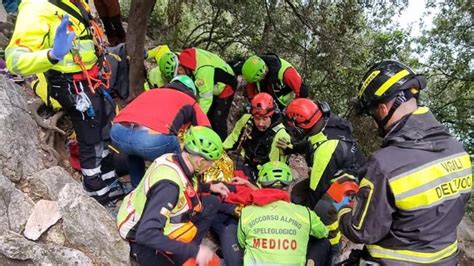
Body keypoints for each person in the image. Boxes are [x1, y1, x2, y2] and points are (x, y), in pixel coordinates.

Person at [336, 60, 472, 265]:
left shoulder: (384, 165)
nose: (374, 123)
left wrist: (342, 204)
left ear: (382, 108)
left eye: (372, 114)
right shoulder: (457, 150)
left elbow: (361, 231)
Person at [5, 0, 124, 203]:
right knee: (90, 131)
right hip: (71, 83)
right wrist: (52, 55)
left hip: (91, 78)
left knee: (104, 125)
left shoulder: (76, 2)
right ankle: (94, 187)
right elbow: (15, 60)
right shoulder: (37, 6)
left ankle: (106, 175)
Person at [117, 126, 231, 266]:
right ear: (200, 161)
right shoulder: (169, 188)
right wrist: (194, 251)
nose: (210, 166)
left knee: (212, 202)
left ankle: (189, 251)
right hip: (141, 237)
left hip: (155, 215)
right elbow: (146, 234)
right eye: (210, 163)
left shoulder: (173, 158)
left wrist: (209, 187)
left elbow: (185, 182)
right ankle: (188, 254)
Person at [279, 98, 365, 265]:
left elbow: (316, 190)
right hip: (341, 172)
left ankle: (331, 245)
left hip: (349, 185)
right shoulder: (324, 124)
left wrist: (308, 220)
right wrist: (292, 148)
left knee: (322, 211)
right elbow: (310, 143)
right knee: (297, 194)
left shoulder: (326, 150)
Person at [111, 75, 210, 187]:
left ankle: (136, 187)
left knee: (133, 153)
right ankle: (184, 187)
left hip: (118, 132)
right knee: (176, 148)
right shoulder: (190, 101)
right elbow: (206, 130)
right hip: (148, 140)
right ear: (191, 92)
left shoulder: (151, 92)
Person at [237, 161, 329, 266]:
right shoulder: (305, 214)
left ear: (260, 185)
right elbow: (323, 232)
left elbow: (241, 242)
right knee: (323, 241)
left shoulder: (247, 213)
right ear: (289, 187)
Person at [159, 48, 237, 140]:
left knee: (217, 119)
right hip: (210, 84)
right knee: (208, 116)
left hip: (226, 86)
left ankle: (222, 144)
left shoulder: (202, 70)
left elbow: (206, 100)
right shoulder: (184, 58)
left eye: (178, 74)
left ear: (180, 68)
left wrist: (193, 120)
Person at [223, 92, 291, 182]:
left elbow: (277, 168)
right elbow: (233, 139)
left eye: (265, 118)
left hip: (267, 174)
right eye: (257, 118)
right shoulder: (247, 120)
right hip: (247, 164)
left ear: (271, 115)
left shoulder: (281, 135)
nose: (260, 123)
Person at [241, 53, 308, 110]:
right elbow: (250, 85)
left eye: (260, 79)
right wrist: (253, 101)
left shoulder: (287, 73)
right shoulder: (253, 70)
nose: (259, 81)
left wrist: (292, 109)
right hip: (267, 103)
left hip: (285, 105)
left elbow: (302, 93)